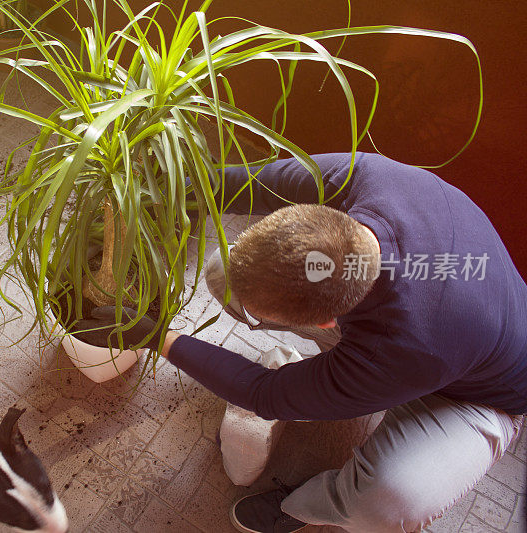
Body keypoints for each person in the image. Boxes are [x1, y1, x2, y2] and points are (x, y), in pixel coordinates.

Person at [74, 152, 527, 533]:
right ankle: (326, 392)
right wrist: (169, 189)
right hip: (443, 331)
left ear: (330, 322)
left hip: (479, 396)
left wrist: (155, 335)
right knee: (221, 270)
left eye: (264, 315)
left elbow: (262, 393)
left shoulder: (393, 349)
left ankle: (306, 507)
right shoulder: (365, 176)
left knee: (389, 502)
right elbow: (250, 182)